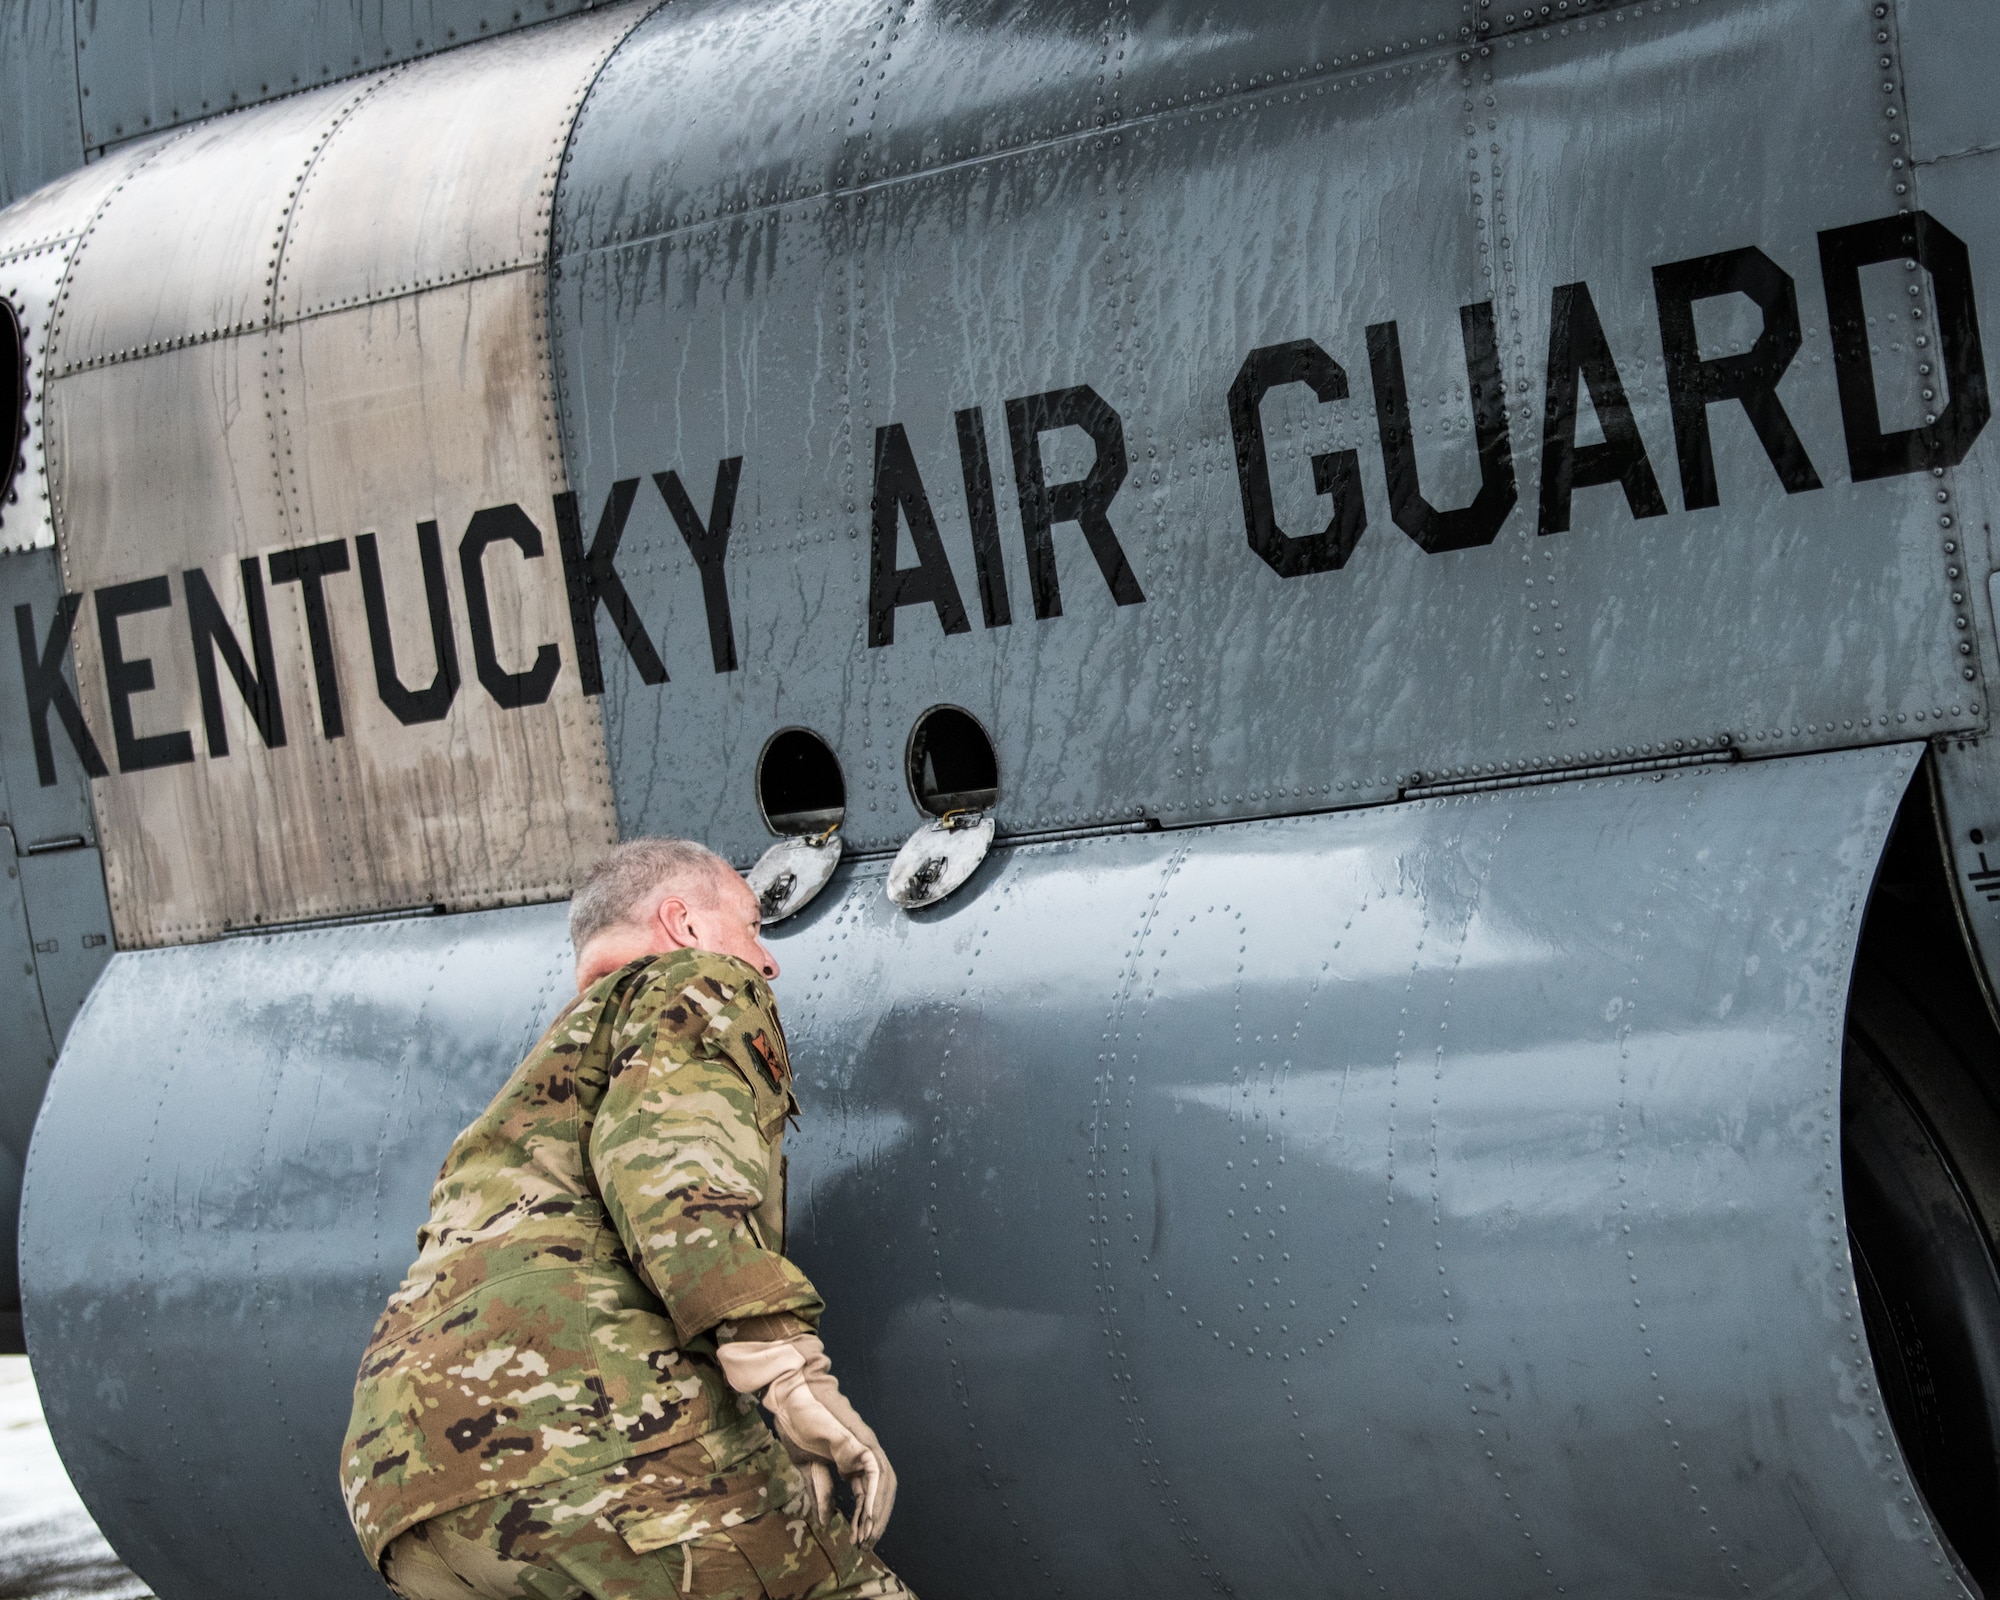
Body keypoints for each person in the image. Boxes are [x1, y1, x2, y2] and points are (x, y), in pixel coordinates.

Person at [340, 838, 909, 1600]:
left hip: (403, 1492)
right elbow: (673, 1175)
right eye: (751, 926)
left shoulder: (538, 1089)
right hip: (585, 1448)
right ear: (685, 924)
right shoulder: (694, 981)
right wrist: (790, 1379)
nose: (765, 960)